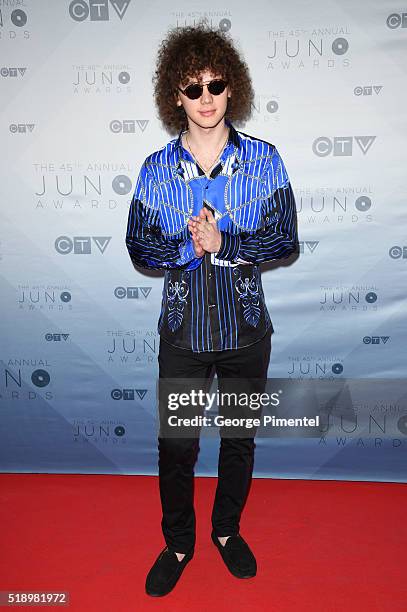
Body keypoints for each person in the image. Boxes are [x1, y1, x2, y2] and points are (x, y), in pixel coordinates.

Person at [125, 22, 299, 597]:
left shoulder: (264, 161)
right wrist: (186, 245)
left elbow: (286, 240)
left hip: (247, 329)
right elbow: (137, 246)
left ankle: (226, 531)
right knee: (176, 445)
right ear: (175, 94)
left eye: (216, 86)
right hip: (182, 331)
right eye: (192, 88)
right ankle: (178, 542)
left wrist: (227, 246)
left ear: (233, 91)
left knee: (239, 439)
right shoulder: (155, 170)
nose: (205, 99)